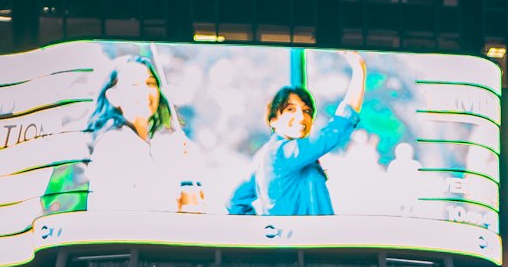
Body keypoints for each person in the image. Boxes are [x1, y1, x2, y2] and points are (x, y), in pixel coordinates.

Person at [227, 51, 366, 217]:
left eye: (307, 111)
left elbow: (235, 202)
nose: (301, 117)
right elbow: (335, 130)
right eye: (290, 109)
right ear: (273, 120)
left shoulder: (264, 156)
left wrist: (266, 231)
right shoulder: (283, 152)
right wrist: (359, 70)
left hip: (289, 241)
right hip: (309, 240)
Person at [85, 54, 205, 214]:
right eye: (134, 85)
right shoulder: (113, 146)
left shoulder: (155, 148)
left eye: (150, 83)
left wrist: (184, 171)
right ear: (113, 97)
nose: (145, 91)